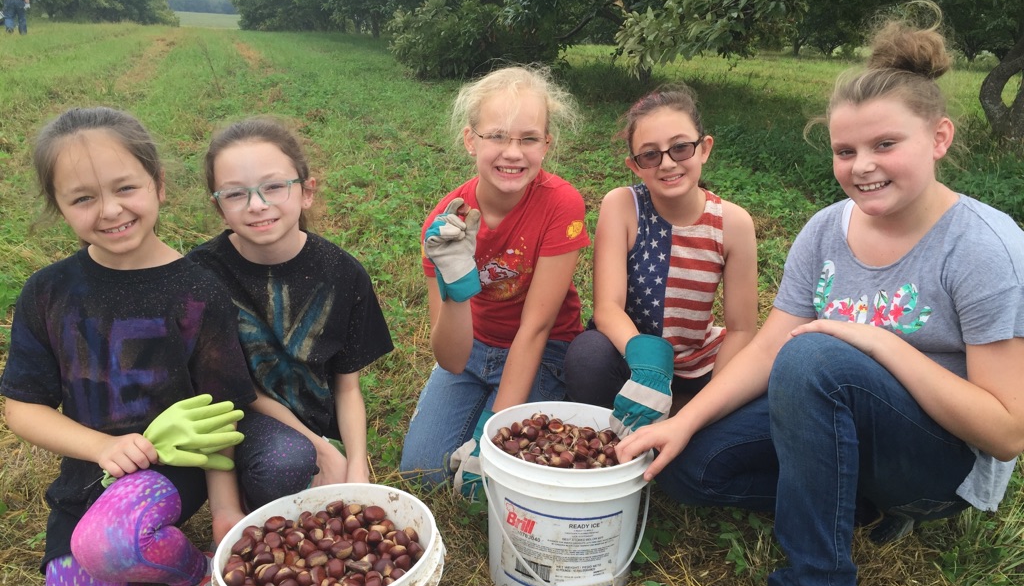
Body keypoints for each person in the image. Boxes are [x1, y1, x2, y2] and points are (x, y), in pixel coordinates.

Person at [615, 2, 1024, 586]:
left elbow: (1005, 431)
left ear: (940, 138)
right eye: (846, 150)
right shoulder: (827, 229)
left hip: (938, 466)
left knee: (819, 356)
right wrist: (684, 422)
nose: (863, 165)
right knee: (690, 465)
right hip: (842, 423)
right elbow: (770, 346)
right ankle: (850, 505)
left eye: (885, 145)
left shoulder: (985, 250)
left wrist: (877, 342)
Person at [0, 107, 256, 586]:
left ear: (158, 185)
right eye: (83, 198)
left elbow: (217, 413)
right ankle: (132, 557)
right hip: (90, 477)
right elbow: (22, 407)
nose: (111, 211)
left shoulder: (198, 290)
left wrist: (224, 511)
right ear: (59, 206)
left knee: (111, 542)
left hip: (170, 470)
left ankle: (197, 578)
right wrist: (100, 448)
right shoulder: (48, 291)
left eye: (126, 188)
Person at [400, 64, 590, 491]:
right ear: (471, 140)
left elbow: (537, 326)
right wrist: (458, 291)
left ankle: (499, 411)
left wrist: (494, 430)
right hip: (472, 350)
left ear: (546, 144)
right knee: (423, 473)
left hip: (544, 350)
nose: (513, 152)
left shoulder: (562, 205)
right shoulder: (445, 223)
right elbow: (450, 358)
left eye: (528, 138)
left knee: (484, 484)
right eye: (497, 136)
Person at [189, 116, 393, 493]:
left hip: (310, 423)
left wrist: (358, 472)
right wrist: (320, 450)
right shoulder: (201, 277)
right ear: (219, 208)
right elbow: (236, 388)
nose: (257, 205)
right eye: (235, 193)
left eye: (273, 186)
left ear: (307, 191)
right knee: (289, 460)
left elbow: (347, 388)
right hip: (236, 421)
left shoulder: (343, 274)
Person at [563, 84, 758, 429]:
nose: (668, 163)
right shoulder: (622, 206)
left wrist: (715, 396)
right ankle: (616, 430)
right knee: (587, 356)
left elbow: (742, 330)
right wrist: (647, 361)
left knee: (756, 386)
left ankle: (678, 420)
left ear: (704, 148)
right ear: (635, 166)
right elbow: (607, 307)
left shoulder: (733, 223)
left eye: (681, 148)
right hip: (630, 357)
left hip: (697, 365)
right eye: (650, 155)